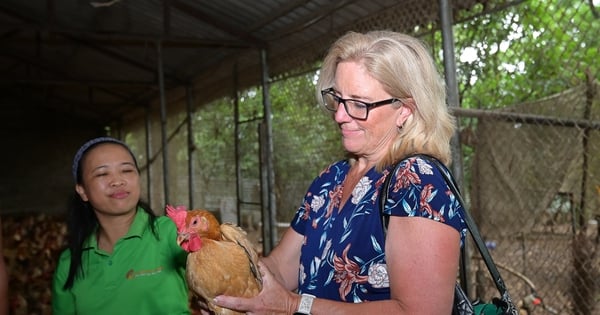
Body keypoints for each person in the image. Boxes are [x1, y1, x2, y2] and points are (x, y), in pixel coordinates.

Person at [213, 30, 468, 314]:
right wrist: (220, 275)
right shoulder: (330, 179)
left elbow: (421, 312)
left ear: (405, 110)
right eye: (337, 98)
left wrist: (295, 305)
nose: (339, 115)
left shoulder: (418, 182)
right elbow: (279, 270)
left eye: (359, 104)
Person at [52, 137, 190, 314]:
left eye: (126, 170)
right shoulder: (69, 262)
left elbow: (224, 272)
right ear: (83, 191)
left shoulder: (169, 232)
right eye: (102, 174)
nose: (117, 181)